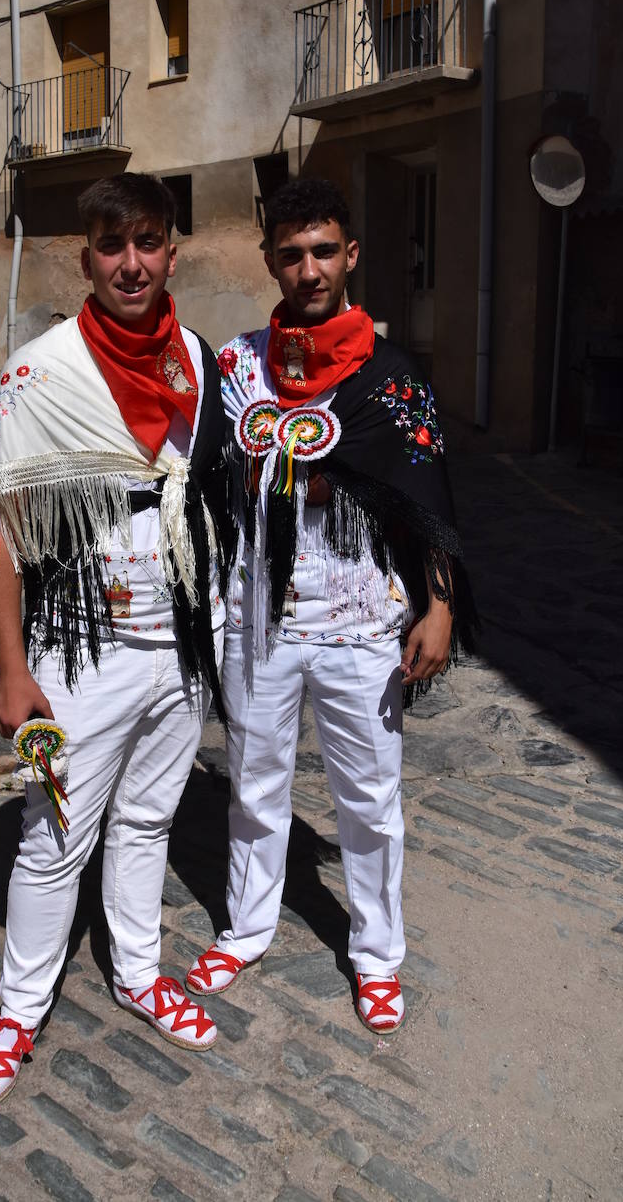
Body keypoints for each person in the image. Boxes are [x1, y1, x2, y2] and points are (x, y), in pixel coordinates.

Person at [0, 174, 232, 1110]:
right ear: (87, 258)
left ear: (170, 252)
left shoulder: (197, 362)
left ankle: (138, 971)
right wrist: (10, 668)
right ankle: (19, 1010)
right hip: (86, 646)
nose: (131, 263)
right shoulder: (41, 373)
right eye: (113, 247)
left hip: (179, 647)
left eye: (149, 243)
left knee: (149, 820)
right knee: (53, 837)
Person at [184, 178, 476, 1034]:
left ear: (350, 256)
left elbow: (431, 496)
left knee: (369, 798)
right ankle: (246, 927)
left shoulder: (391, 378)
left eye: (323, 252)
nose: (308, 269)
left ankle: (378, 954)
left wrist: (441, 608)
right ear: (271, 261)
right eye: (291, 254)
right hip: (259, 617)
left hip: (362, 623)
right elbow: (200, 481)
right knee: (255, 786)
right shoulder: (237, 369)